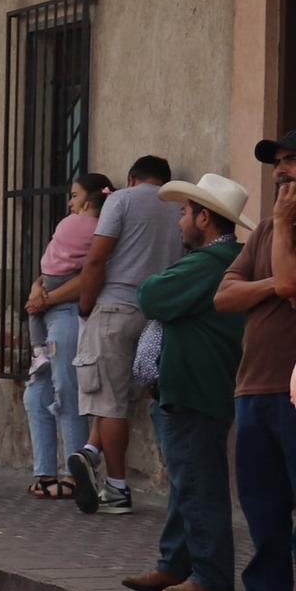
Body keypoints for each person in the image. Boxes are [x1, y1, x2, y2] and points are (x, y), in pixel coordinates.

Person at [115, 176, 250, 591]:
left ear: (204, 217)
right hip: (194, 386)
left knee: (198, 483)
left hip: (195, 387)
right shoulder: (218, 261)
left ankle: (210, 573)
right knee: (187, 480)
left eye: (184, 212)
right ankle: (173, 564)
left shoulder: (211, 262)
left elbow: (151, 295)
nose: (178, 221)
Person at [213, 131, 296, 591]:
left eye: (292, 161)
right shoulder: (265, 229)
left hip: (292, 390)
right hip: (253, 389)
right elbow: (224, 296)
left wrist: (285, 228)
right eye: (278, 163)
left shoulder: (279, 227)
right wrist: (269, 287)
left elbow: (290, 282)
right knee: (263, 508)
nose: (281, 170)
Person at [68, 155, 184, 515]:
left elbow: (96, 258)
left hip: (115, 306)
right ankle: (91, 451)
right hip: (158, 313)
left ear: (132, 178)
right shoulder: (181, 206)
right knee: (129, 397)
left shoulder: (121, 199)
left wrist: (86, 306)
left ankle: (117, 487)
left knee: (107, 401)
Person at [22, 173, 111, 499]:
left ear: (89, 200)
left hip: (67, 314)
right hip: (47, 310)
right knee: (36, 394)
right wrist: (37, 289)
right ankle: (46, 474)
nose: (69, 202)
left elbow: (92, 275)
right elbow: (51, 266)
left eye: (74, 195)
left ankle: (76, 476)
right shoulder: (73, 231)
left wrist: (45, 297)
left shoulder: (95, 231)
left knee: (66, 391)